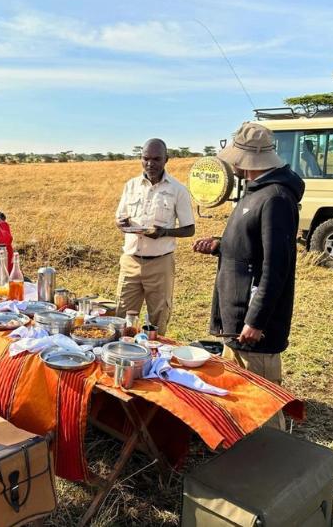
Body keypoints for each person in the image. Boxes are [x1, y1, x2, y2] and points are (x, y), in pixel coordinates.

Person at [193, 122, 305, 429]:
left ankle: (272, 466)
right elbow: (252, 247)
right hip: (238, 321)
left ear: (246, 159)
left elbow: (276, 266)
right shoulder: (256, 192)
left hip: (254, 327)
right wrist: (221, 246)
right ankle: (246, 459)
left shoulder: (276, 199)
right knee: (240, 397)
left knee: (263, 404)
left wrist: (256, 320)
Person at [114, 138, 195, 335]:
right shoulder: (131, 186)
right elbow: (120, 217)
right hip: (131, 261)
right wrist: (121, 223)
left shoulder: (177, 190)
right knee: (121, 317)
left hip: (160, 264)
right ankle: (122, 360)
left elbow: (189, 229)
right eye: (146, 158)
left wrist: (164, 232)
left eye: (156, 159)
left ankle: (155, 363)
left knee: (157, 322)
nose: (150, 163)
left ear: (166, 159)